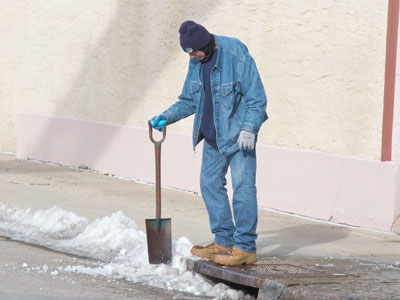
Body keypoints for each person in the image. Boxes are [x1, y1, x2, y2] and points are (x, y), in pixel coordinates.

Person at [151, 20, 267, 265]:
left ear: (207, 43)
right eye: (188, 52)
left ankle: (245, 247)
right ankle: (224, 241)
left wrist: (249, 128)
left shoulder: (235, 53)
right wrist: (165, 116)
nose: (192, 56)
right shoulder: (196, 61)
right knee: (209, 184)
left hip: (238, 137)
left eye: (195, 51)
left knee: (243, 190)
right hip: (213, 137)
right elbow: (188, 100)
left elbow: (256, 97)